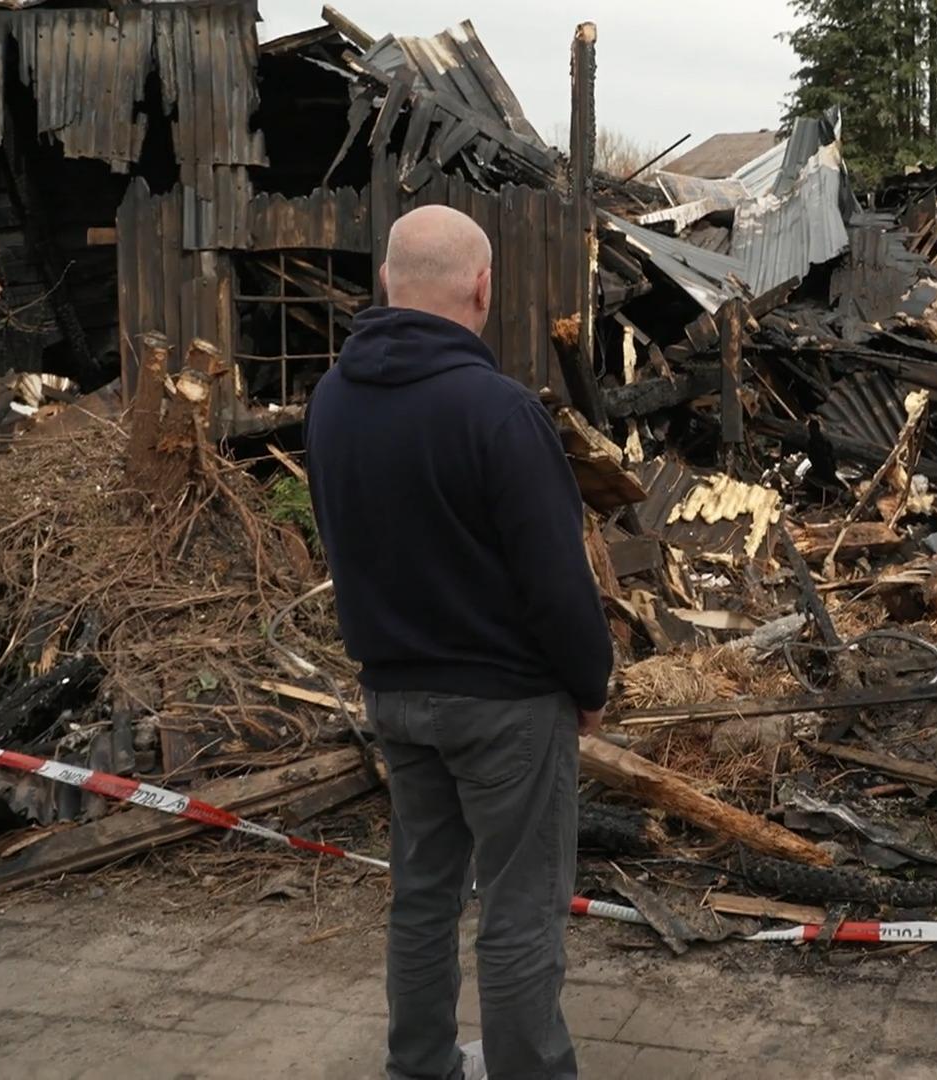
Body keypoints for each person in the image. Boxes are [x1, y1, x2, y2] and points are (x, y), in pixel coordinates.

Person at [305, 204, 612, 1080]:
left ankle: (421, 1065)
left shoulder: (331, 400)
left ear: (385, 285)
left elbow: (341, 540)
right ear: (482, 286)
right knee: (520, 908)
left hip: (395, 696)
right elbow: (556, 579)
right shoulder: (499, 412)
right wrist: (589, 681)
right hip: (506, 706)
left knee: (423, 895)